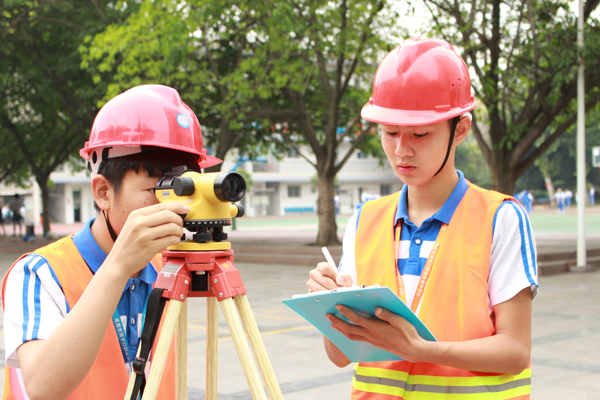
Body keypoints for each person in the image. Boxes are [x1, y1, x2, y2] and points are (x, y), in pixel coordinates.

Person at [307, 38, 538, 399]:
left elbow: (516, 351)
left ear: (459, 130)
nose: (402, 150)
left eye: (420, 134)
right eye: (390, 132)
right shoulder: (365, 220)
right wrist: (329, 307)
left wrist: (422, 350)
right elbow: (340, 355)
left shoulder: (501, 218)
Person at [1, 85, 221, 399]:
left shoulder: (169, 268)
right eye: (159, 188)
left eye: (185, 187)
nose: (175, 206)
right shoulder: (38, 273)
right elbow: (42, 388)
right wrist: (118, 267)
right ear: (104, 192)